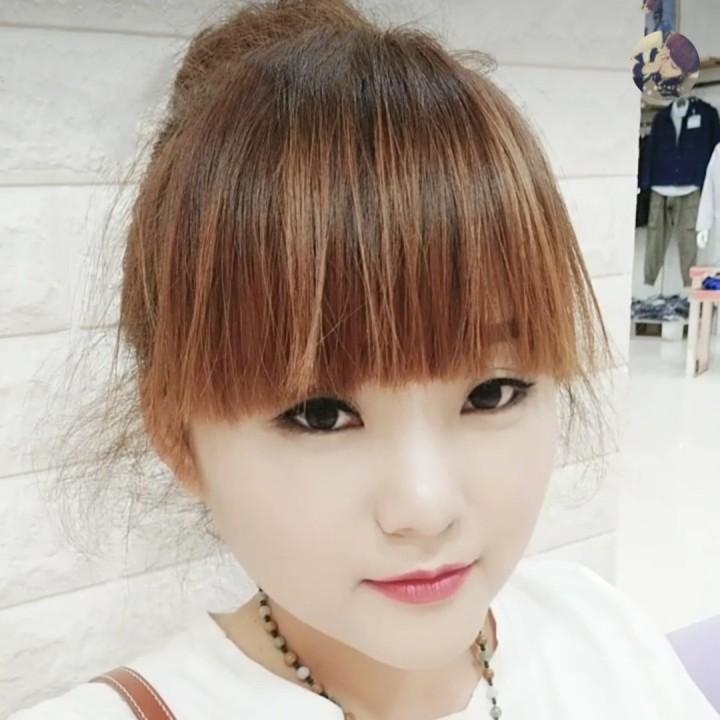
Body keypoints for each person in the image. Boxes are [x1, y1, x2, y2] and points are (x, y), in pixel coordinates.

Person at [9, 0, 720, 719]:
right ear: (175, 434)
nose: (426, 508)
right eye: (320, 414)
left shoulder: (599, 634)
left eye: (493, 392)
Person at [632, 31, 700, 99]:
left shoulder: (678, 86)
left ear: (683, 73)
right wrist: (647, 68)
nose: (665, 65)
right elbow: (631, 65)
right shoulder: (653, 53)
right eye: (665, 57)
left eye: (673, 66)